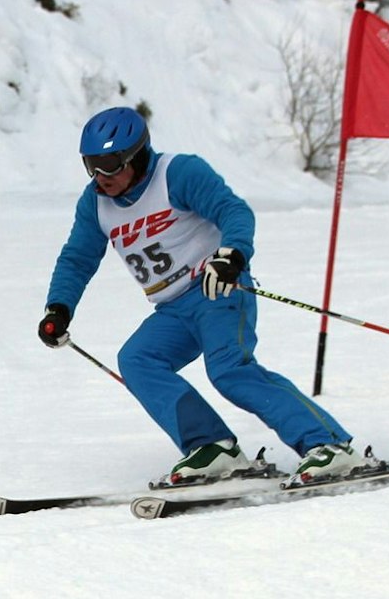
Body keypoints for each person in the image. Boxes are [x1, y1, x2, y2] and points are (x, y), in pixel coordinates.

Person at [37, 106, 363, 487]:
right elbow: (77, 258)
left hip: (217, 290)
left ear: (136, 157)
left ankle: (329, 445)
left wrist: (231, 256)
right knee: (138, 359)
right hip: (172, 309)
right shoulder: (95, 204)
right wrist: (59, 308)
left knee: (229, 371)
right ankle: (212, 446)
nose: (100, 176)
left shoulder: (177, 173)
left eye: (109, 164)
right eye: (91, 165)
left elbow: (233, 211)